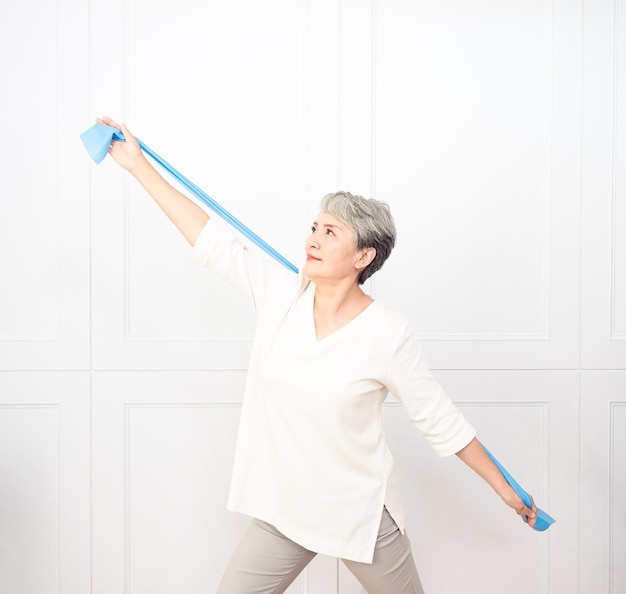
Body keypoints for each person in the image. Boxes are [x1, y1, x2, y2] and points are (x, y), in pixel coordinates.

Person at [96, 116, 538, 594]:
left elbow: (439, 419)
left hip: (358, 513)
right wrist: (137, 166)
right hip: (286, 508)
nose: (313, 238)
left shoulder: (387, 333)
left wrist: (505, 490)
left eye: (331, 232)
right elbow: (209, 239)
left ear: (363, 256)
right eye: (314, 227)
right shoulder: (279, 296)